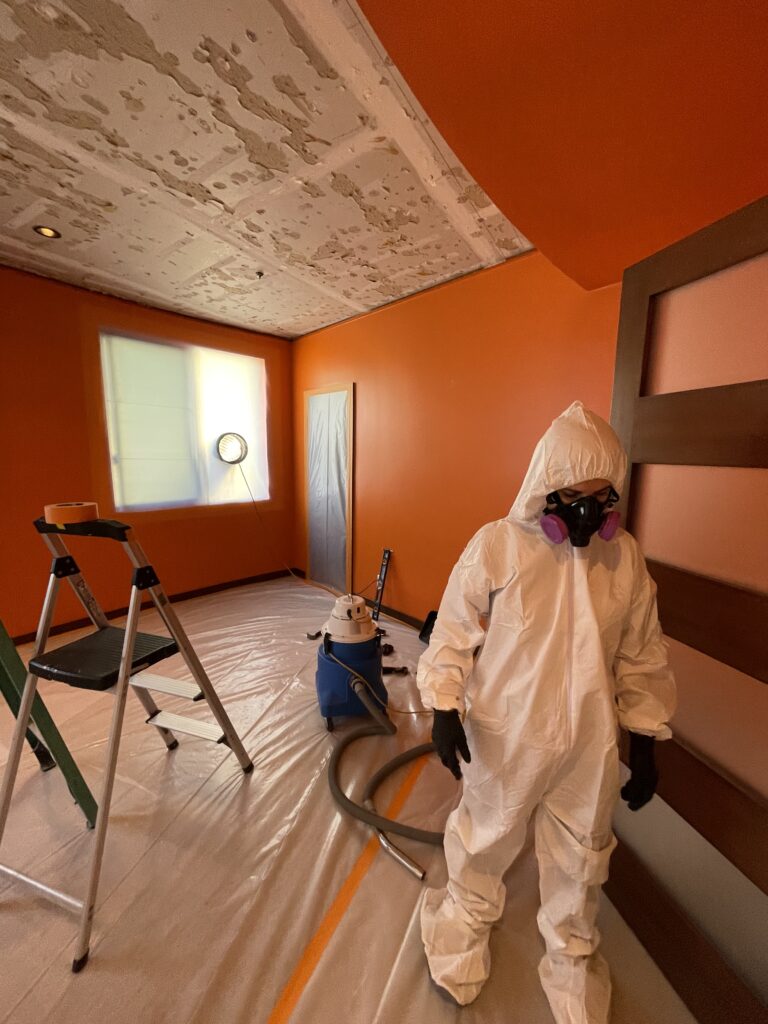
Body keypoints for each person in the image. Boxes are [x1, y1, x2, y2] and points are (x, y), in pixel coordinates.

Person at [416, 401, 676, 1022]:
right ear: (545, 490)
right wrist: (444, 704)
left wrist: (644, 734)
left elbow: (641, 653)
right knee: (486, 836)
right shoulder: (500, 546)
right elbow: (453, 629)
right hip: (508, 736)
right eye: (573, 497)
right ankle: (465, 924)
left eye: (601, 497)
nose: (588, 514)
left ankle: (570, 956)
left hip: (589, 741)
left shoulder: (624, 559)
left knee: (583, 854)